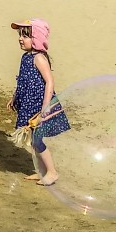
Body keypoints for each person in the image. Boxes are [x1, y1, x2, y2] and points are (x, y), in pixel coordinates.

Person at [7, 18, 69, 186]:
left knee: (37, 139)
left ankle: (52, 172)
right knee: (33, 138)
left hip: (39, 105)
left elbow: (50, 82)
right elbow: (23, 80)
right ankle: (42, 171)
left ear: (36, 39)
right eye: (20, 35)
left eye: (26, 36)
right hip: (28, 103)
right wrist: (15, 96)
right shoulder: (25, 57)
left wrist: (45, 108)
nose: (21, 38)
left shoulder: (39, 58)